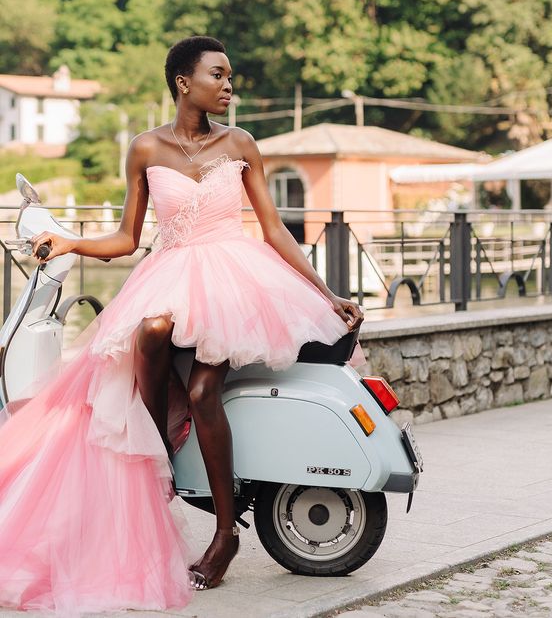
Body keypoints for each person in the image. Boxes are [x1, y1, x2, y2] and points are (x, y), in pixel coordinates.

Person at [0, 36, 363, 612]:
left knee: (201, 387)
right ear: (183, 82)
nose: (229, 85)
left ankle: (226, 534)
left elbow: (273, 230)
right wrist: (69, 240)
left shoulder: (240, 143)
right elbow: (126, 238)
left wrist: (327, 291)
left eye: (230, 75)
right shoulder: (145, 148)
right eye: (218, 75)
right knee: (147, 331)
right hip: (168, 271)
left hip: (232, 282)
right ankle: (160, 454)